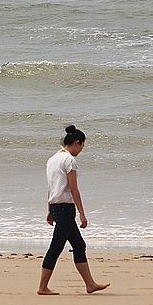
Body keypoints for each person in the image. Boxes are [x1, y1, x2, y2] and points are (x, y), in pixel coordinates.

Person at [37, 125, 109, 296]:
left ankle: (90, 284)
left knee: (78, 244)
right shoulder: (69, 160)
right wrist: (82, 213)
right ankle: (42, 287)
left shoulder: (52, 159)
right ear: (77, 142)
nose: (81, 150)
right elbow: (73, 188)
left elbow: (50, 187)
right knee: (56, 247)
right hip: (65, 209)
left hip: (56, 207)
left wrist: (49, 210)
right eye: (82, 146)